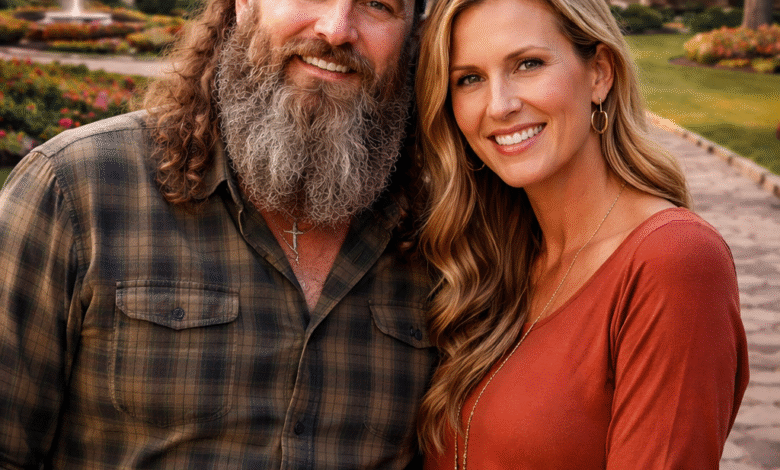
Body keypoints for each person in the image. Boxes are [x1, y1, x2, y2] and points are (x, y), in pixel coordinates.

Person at [0, 0, 436, 466]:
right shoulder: (77, 189)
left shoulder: (440, 234)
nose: (336, 29)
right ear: (243, 4)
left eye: (377, 4)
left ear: (413, 34)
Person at [413, 0, 750, 467]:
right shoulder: (497, 260)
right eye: (469, 79)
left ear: (599, 74)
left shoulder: (673, 261)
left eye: (528, 64)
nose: (500, 105)